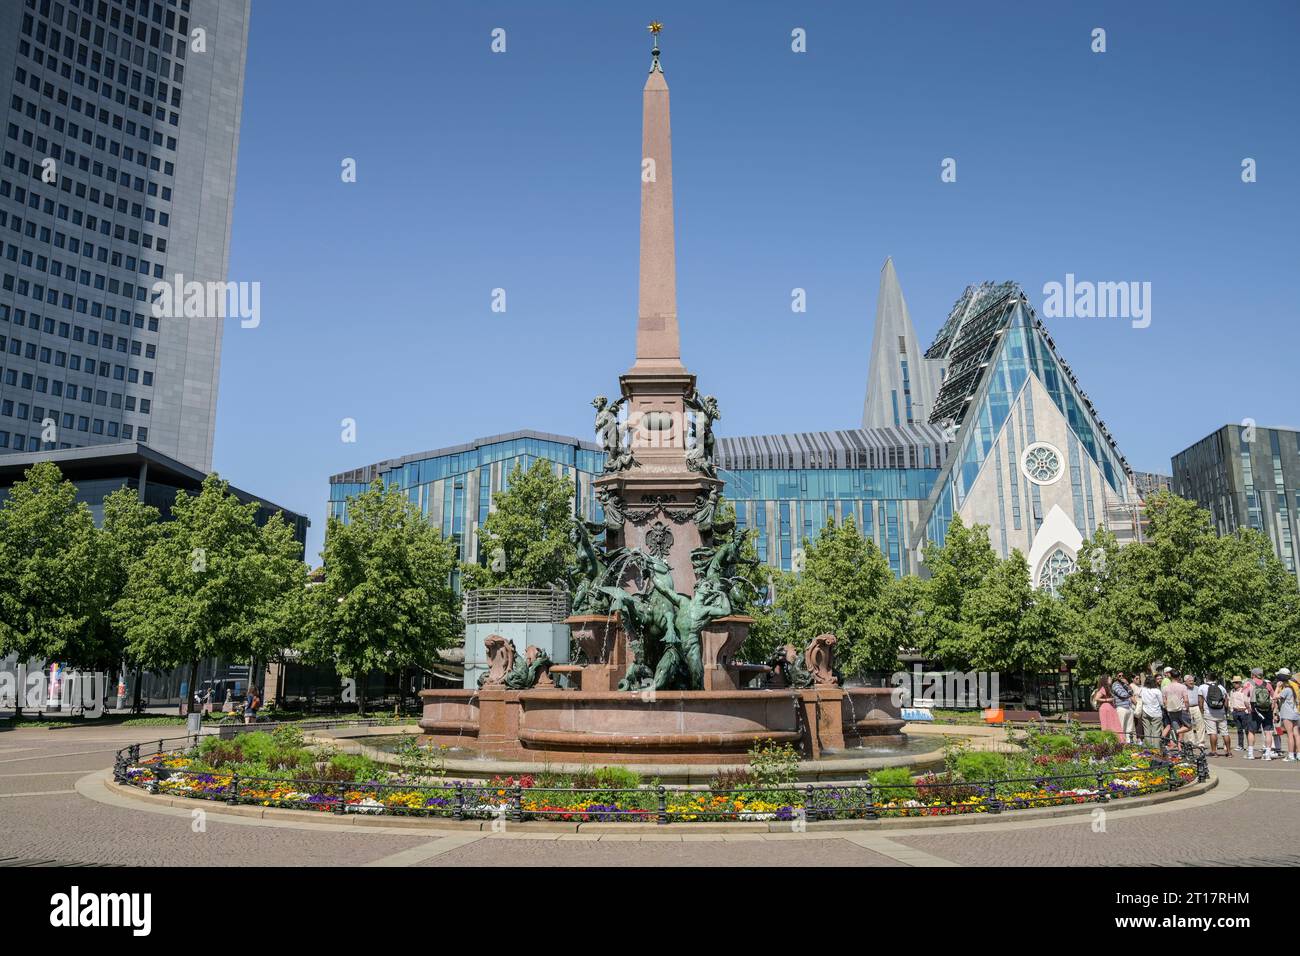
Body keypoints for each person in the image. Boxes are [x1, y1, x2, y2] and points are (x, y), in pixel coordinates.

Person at [1245, 667, 1276, 760]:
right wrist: (1272, 709)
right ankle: (1267, 754)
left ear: (1253, 675)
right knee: (1268, 732)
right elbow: (1274, 698)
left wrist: (1249, 708)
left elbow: (1244, 698)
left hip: (1255, 711)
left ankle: (1250, 754)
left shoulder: (1249, 683)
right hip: (1267, 711)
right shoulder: (1267, 684)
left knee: (1251, 731)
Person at [1200, 674, 1231, 758]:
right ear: (1215, 679)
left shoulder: (1202, 687)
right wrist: (1226, 711)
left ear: (1207, 678)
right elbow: (1226, 701)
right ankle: (1228, 752)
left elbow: (1200, 701)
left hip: (1209, 712)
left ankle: (1214, 752)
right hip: (1221, 712)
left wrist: (1202, 711)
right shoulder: (1221, 687)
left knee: (1213, 732)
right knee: (1225, 732)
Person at [1162, 669, 1191, 752]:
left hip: (1171, 710)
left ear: (1170, 676)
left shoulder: (1165, 688)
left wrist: (1167, 708)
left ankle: (1179, 746)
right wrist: (1187, 708)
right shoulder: (1182, 687)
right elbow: (1186, 700)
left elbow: (1164, 701)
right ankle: (1178, 741)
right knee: (1188, 726)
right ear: (1179, 677)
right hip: (1182, 709)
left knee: (1177, 727)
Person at [1277, 668, 1300, 762]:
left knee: (1289, 734)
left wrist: (1277, 687)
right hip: (1296, 712)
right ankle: (1298, 754)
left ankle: (1290, 755)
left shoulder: (1286, 688)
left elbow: (1275, 697)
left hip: (1287, 713)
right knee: (1297, 734)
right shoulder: (1296, 686)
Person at [1138, 674, 1165, 748]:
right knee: (1156, 732)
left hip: (1145, 712)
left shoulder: (1142, 689)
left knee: (1147, 732)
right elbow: (1161, 703)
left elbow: (1138, 696)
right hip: (1156, 713)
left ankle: (1148, 749)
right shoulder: (1157, 691)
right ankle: (1156, 750)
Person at [1093, 676, 1123, 740]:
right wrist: (1107, 700)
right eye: (1110, 678)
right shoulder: (1103, 688)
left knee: (1113, 724)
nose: (1111, 679)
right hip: (1105, 709)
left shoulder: (1109, 688)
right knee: (1107, 725)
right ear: (1106, 680)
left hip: (1110, 708)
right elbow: (1096, 698)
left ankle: (1117, 740)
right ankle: (1108, 740)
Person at [1111, 672, 1136, 743]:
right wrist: (1129, 695)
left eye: (1122, 675)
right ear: (1116, 677)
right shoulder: (1115, 685)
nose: (1121, 677)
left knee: (1129, 728)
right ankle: (1121, 742)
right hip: (1121, 708)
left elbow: (1132, 692)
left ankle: (1129, 743)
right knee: (1121, 727)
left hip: (1129, 708)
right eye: (1119, 675)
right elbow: (1122, 694)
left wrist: (1127, 684)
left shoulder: (1125, 684)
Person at [1183, 674, 1206, 749]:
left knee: (1200, 724)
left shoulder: (1197, 688)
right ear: (1185, 682)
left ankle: (1201, 742)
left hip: (1197, 707)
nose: (1191, 682)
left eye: (1192, 680)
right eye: (1189, 681)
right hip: (1187, 708)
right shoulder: (1183, 688)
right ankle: (1191, 742)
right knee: (1189, 725)